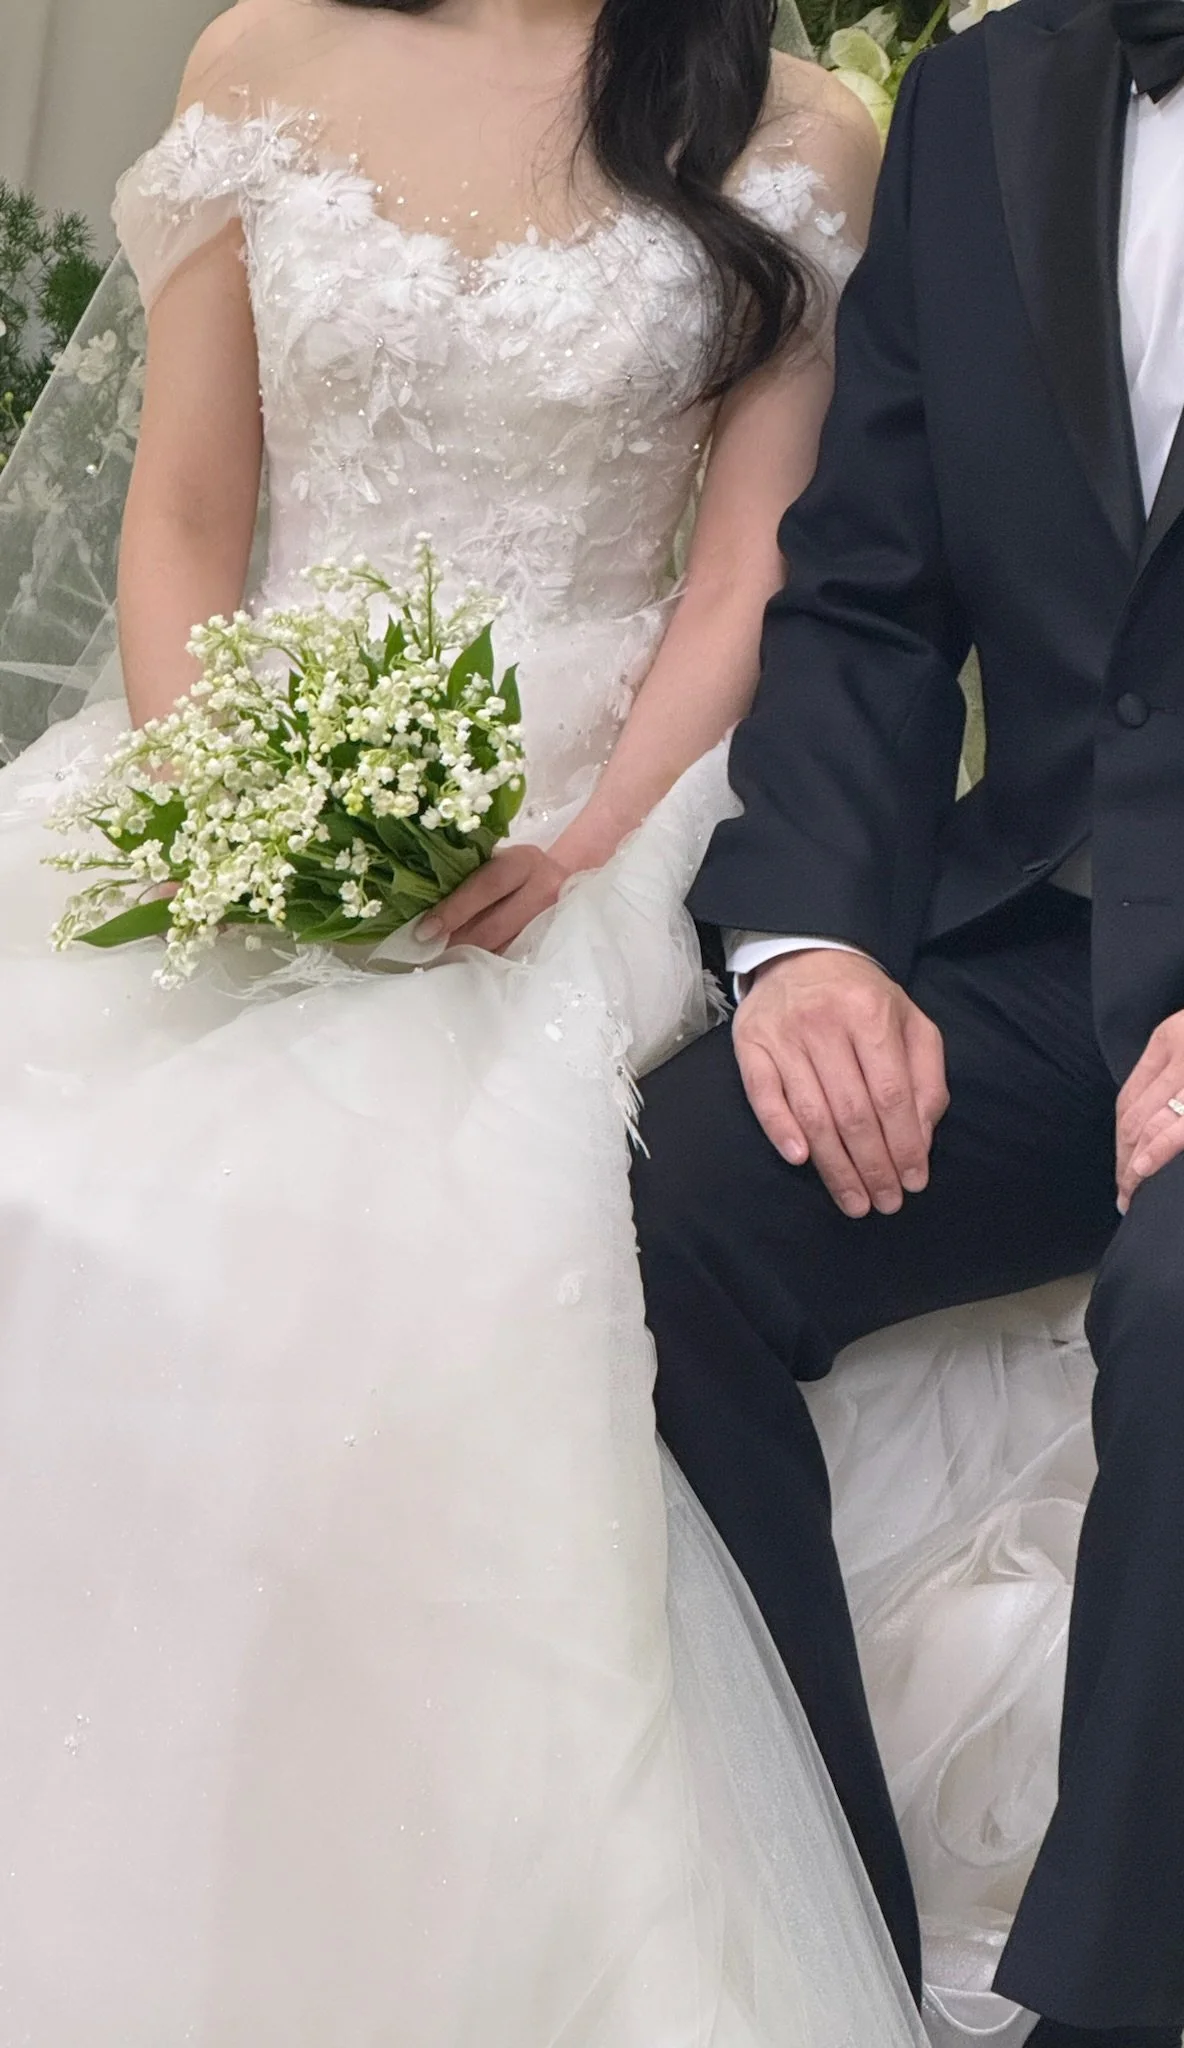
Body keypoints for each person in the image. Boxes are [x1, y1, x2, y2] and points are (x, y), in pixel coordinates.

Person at [0, 0, 928, 2039]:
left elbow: (757, 568)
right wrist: (236, 795)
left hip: (595, 794)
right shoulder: (260, 58)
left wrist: (592, 834)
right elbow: (185, 515)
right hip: (240, 755)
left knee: (408, 1238)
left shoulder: (795, 127)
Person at [632, 0, 1184, 2042]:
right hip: (1052, 943)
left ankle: (1098, 2011)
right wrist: (815, 942)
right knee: (653, 1205)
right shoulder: (976, 97)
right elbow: (869, 589)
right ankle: (842, 1950)